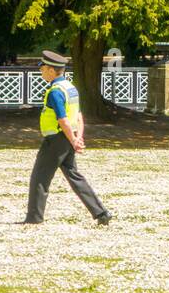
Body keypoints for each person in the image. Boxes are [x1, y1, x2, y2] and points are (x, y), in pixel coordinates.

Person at [24, 50, 111, 226]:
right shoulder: (70, 88)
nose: (41, 72)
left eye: (42, 69)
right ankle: (101, 212)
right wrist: (78, 137)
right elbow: (78, 115)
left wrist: (73, 140)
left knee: (40, 177)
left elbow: (62, 118)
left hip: (56, 139)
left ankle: (34, 218)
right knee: (74, 176)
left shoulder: (55, 91)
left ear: (50, 70)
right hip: (67, 138)